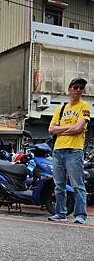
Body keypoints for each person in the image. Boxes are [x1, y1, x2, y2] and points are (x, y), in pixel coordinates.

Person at [48, 78, 90, 224]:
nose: (78, 90)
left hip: (74, 151)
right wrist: (68, 130)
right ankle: (60, 213)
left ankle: (80, 215)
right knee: (59, 185)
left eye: (81, 88)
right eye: (75, 87)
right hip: (58, 150)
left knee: (77, 184)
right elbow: (51, 129)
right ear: (70, 89)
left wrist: (60, 130)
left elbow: (79, 128)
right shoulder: (61, 109)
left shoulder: (84, 106)